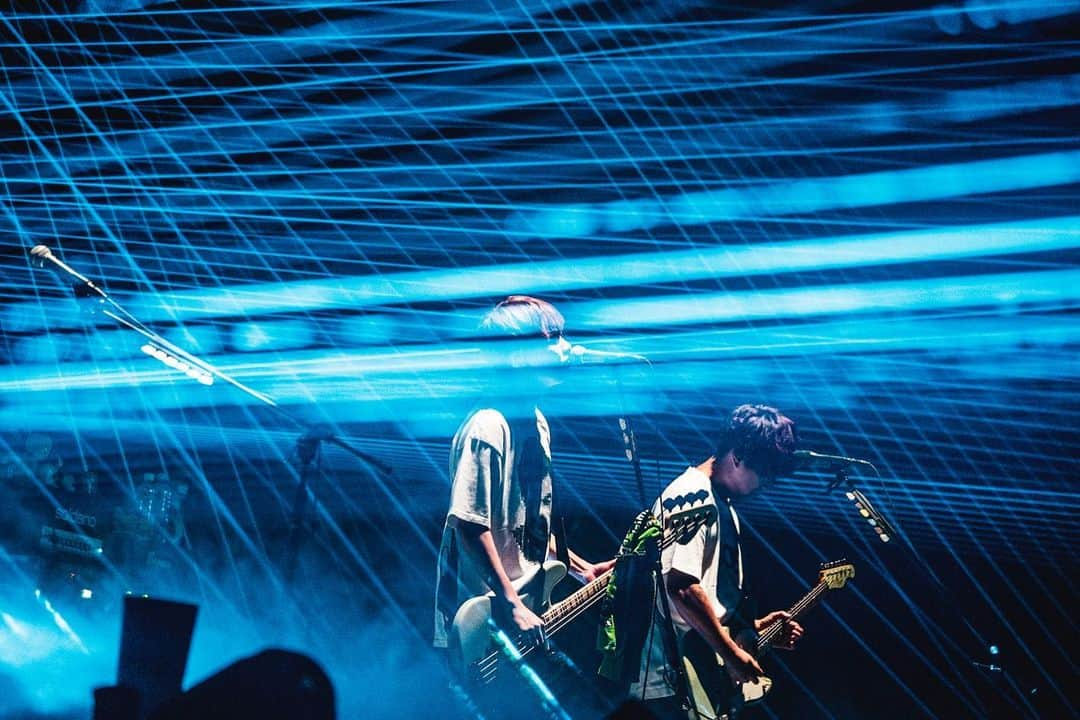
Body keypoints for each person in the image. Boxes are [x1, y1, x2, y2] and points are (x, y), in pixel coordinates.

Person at [433, 295, 615, 655]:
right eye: (554, 338)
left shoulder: (537, 424)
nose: (567, 347)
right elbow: (470, 523)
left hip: (521, 613)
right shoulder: (487, 426)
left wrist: (582, 570)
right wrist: (511, 603)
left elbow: (527, 528)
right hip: (480, 617)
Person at [627, 404, 805, 719]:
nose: (766, 483)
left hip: (697, 674)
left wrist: (754, 629)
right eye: (763, 473)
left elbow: (708, 599)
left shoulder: (721, 504)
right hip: (669, 679)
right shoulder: (691, 496)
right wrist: (732, 653)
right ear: (736, 456)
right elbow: (681, 588)